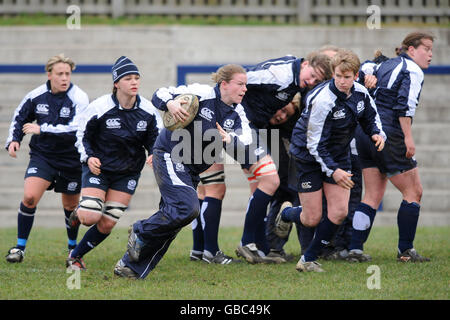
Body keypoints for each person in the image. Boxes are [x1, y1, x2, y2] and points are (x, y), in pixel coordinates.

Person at [114, 64, 269, 279]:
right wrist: (171, 104)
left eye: (246, 85)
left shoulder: (237, 112)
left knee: (175, 220)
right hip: (170, 154)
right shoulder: (203, 94)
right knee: (187, 208)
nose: (245, 89)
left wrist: (229, 138)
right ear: (224, 84)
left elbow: (247, 139)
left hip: (193, 170)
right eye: (240, 84)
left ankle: (129, 267)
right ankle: (141, 229)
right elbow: (160, 92)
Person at [190, 53, 333, 265]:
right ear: (305, 64)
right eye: (312, 75)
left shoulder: (293, 75)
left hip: (236, 126)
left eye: (317, 80)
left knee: (233, 187)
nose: (311, 82)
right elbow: (245, 79)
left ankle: (210, 249)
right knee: (269, 181)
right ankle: (247, 243)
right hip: (239, 126)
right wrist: (222, 108)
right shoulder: (280, 75)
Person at [277, 49, 386, 272]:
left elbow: (370, 116)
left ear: (356, 75)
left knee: (339, 212)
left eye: (347, 77)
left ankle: (308, 260)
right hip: (307, 155)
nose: (342, 81)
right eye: (338, 76)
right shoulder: (323, 100)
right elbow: (315, 144)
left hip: (338, 154)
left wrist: (376, 133)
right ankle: (286, 213)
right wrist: (334, 170)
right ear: (333, 74)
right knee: (311, 218)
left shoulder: (361, 93)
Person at [65, 56, 162, 270]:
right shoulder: (99, 106)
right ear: (117, 83)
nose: (134, 82)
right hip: (98, 169)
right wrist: (88, 157)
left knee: (108, 222)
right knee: (90, 216)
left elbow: (156, 139)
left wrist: (154, 153)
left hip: (127, 172)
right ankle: (80, 211)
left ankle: (76, 256)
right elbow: (83, 135)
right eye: (128, 78)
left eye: (137, 78)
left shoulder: (147, 111)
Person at [347, 31, 435, 263]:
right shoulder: (412, 69)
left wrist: (366, 76)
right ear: (411, 49)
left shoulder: (383, 64)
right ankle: (405, 251)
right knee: (413, 192)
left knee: (372, 194)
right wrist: (408, 137)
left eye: (432, 50)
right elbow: (404, 106)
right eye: (427, 49)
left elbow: (363, 68)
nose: (431, 54)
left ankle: (354, 249)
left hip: (365, 133)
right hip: (387, 134)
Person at [4, 54, 89, 263]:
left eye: (67, 74)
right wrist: (14, 140)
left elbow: (76, 129)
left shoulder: (79, 97)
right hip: (43, 157)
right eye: (59, 74)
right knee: (30, 197)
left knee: (71, 208)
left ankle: (72, 249)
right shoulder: (36, 95)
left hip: (71, 160)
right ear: (49, 74)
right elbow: (20, 116)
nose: (64, 78)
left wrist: (42, 129)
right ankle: (19, 248)